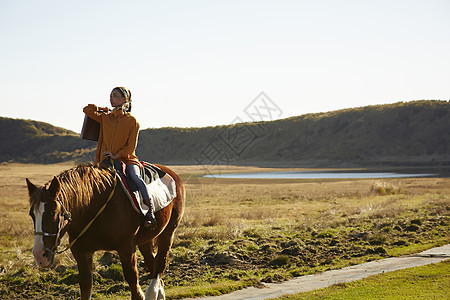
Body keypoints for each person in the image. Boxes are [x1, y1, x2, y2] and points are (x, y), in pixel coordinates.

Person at [83, 87, 156, 229]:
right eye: (110, 96)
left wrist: (117, 155)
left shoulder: (132, 121)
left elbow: (131, 147)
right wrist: (100, 108)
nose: (111, 99)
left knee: (135, 177)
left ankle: (150, 211)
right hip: (105, 160)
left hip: (127, 159)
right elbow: (86, 110)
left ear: (125, 100)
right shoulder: (105, 117)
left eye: (115, 96)